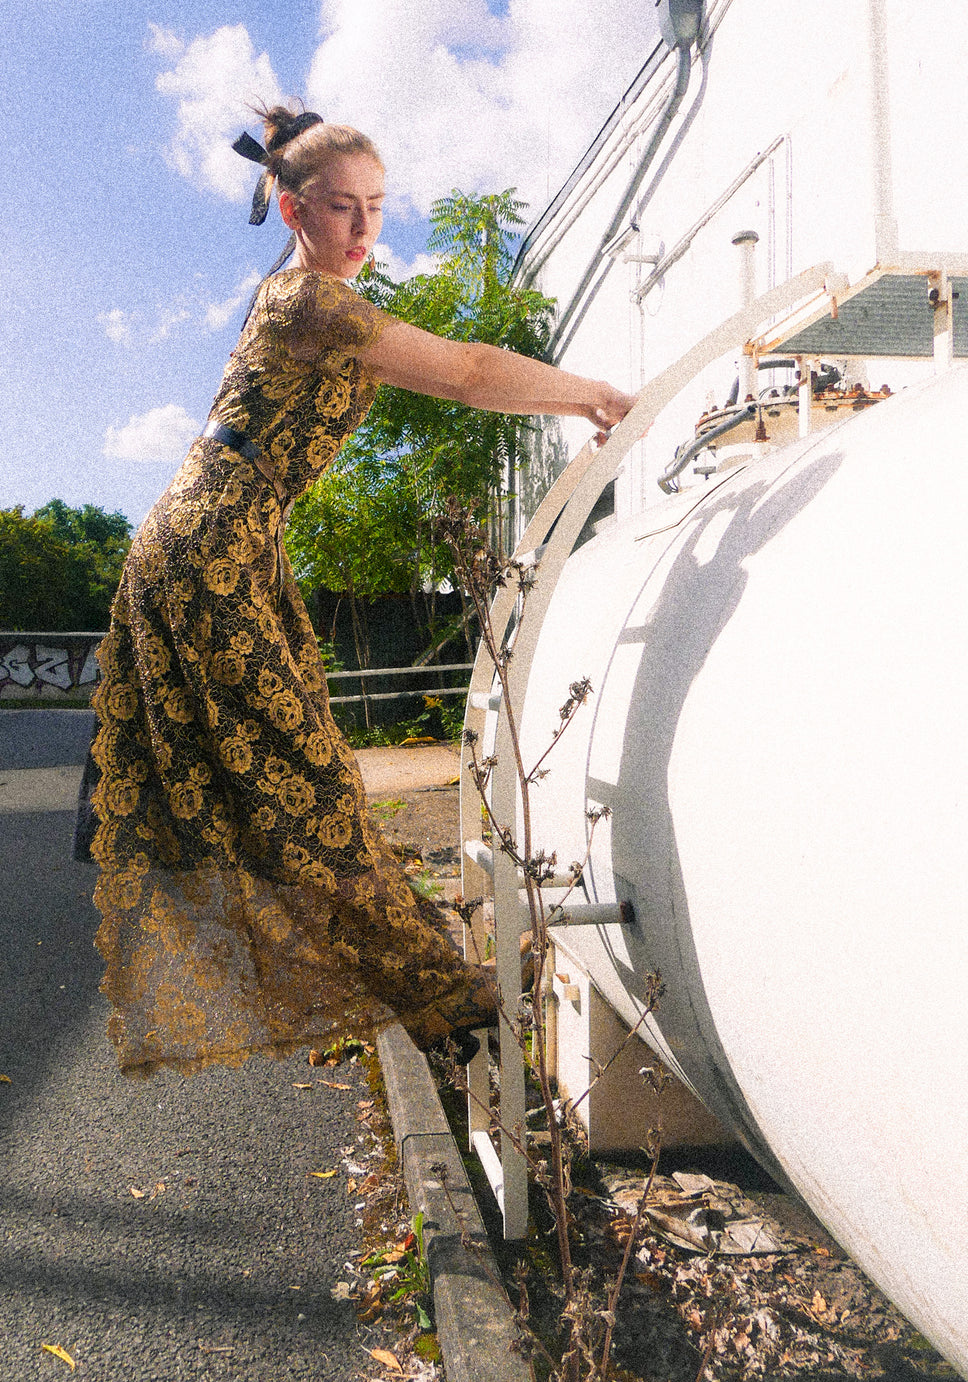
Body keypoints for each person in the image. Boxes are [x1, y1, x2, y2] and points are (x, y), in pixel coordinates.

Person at [76, 103, 634, 1079]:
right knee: (308, 799)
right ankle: (460, 1013)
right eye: (342, 209)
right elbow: (462, 371)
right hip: (208, 553)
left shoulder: (310, 298)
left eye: (377, 207)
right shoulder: (309, 304)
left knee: (317, 786)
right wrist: (590, 392)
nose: (365, 231)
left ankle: (446, 1004)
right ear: (295, 209)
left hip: (237, 547)